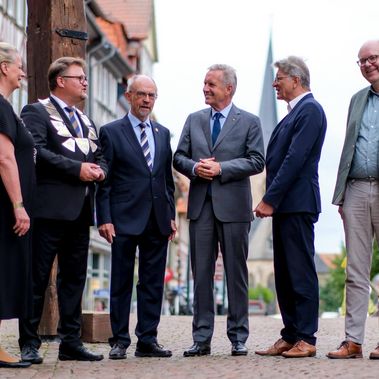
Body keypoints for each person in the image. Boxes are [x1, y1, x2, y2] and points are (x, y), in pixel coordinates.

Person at [18, 57, 107, 363]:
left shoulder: (86, 120)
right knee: (37, 278)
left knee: (74, 280)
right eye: (79, 77)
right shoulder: (36, 111)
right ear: (60, 80)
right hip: (48, 210)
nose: (85, 81)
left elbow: (101, 155)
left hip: (81, 211)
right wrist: (77, 169)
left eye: (85, 77)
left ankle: (71, 342)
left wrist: (100, 171)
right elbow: (36, 152)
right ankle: (28, 343)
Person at [174, 64, 265, 357]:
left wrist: (221, 168)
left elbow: (256, 161)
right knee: (200, 275)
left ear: (229, 89)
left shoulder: (250, 121)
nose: (205, 88)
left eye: (211, 84)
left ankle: (238, 337)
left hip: (235, 209)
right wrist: (195, 168)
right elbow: (179, 157)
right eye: (204, 83)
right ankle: (201, 338)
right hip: (201, 207)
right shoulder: (193, 119)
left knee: (235, 274)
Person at [96, 74, 176, 359]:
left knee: (153, 282)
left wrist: (171, 215)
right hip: (123, 219)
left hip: (157, 219)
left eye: (151, 96)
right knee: (120, 281)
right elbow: (104, 182)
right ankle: (119, 340)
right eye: (141, 94)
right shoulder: (111, 131)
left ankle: (148, 340)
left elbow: (167, 180)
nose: (146, 100)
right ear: (129, 96)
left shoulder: (163, 133)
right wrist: (103, 218)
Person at [254, 56, 327, 358]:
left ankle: (306, 338)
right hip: (287, 205)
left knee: (300, 271)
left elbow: (294, 159)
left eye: (280, 78)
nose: (275, 83)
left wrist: (270, 198)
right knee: (284, 273)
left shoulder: (310, 111)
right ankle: (290, 333)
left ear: (296, 80)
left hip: (296, 203)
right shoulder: (293, 114)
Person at [327, 40, 379, 360]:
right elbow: (348, 149)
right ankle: (353, 341)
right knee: (355, 270)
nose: (368, 64)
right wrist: (341, 196)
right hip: (357, 189)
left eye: (373, 58)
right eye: (362, 61)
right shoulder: (356, 100)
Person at [0, 42, 34, 369]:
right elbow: (5, 158)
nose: (23, 72)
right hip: (5, 206)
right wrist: (19, 205)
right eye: (19, 66)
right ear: (4, 68)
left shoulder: (6, 105)